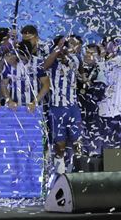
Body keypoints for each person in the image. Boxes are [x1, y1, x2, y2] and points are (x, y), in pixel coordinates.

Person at [42, 36, 81, 174]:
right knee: (60, 143)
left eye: (75, 45)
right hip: (56, 107)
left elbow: (67, 61)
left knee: (77, 141)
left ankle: (79, 168)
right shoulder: (52, 60)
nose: (72, 47)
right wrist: (58, 48)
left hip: (72, 107)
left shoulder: (76, 59)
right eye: (70, 44)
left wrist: (62, 51)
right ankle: (60, 172)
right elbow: (44, 66)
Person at [0, 43, 50, 111]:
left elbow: (46, 85)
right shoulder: (10, 63)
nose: (25, 60)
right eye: (22, 57)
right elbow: (3, 85)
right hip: (14, 107)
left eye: (27, 57)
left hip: (35, 108)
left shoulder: (38, 63)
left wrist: (34, 102)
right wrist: (9, 101)